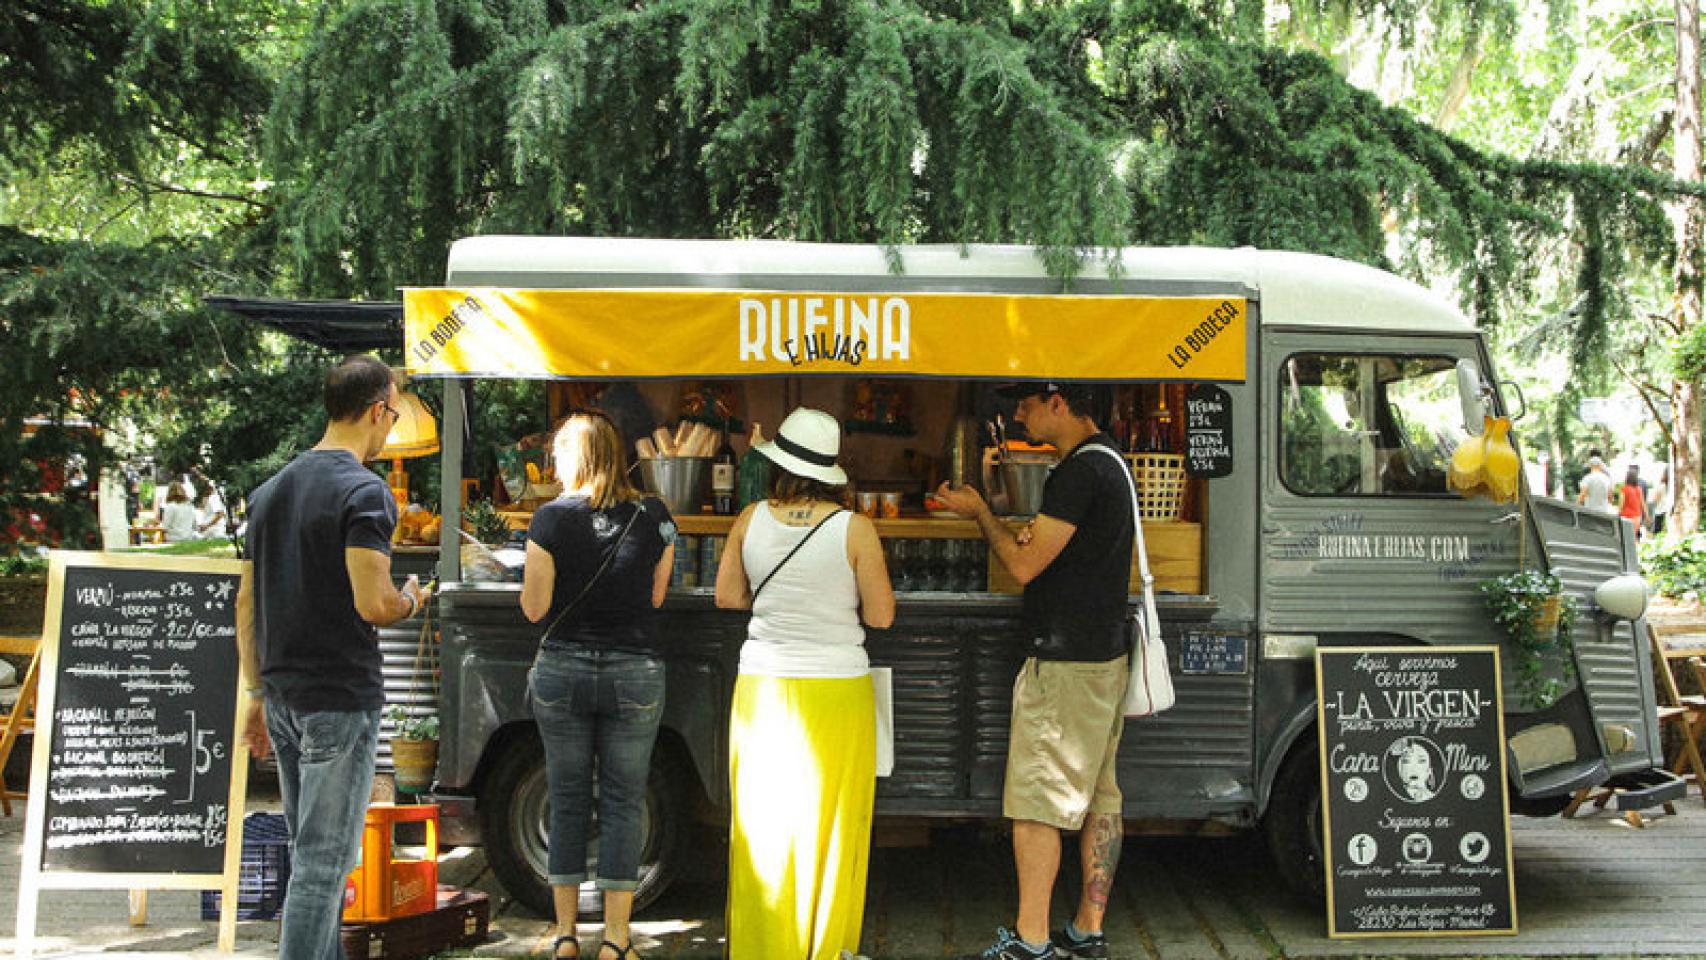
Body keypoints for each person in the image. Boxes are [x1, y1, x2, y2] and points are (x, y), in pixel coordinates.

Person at [934, 381, 1134, 960]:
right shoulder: (1113, 461)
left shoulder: (1078, 474)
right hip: (1103, 656)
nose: (1015, 412)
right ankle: (1086, 932)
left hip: (1066, 662)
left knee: (1034, 803)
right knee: (1102, 799)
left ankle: (1031, 943)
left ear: (1059, 402)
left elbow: (1024, 564)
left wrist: (980, 514)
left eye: (1025, 401)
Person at [240, 355, 427, 960]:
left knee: (311, 858)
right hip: (338, 701)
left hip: (284, 697)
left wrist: (254, 692)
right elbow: (373, 603)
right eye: (392, 417)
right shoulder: (364, 491)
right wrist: (410, 601)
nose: (389, 429)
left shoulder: (269, 493)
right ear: (378, 410)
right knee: (325, 865)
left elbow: (246, 601)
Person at [714, 407, 895, 960]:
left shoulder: (748, 519)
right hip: (836, 692)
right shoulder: (856, 529)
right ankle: (824, 948)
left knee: (764, 828)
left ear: (779, 465)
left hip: (763, 689)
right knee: (832, 829)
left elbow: (727, 597)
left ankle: (762, 948)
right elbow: (882, 615)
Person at [520, 411, 678, 960]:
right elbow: (657, 597)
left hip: (562, 671)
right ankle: (616, 939)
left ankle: (565, 936)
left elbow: (535, 608)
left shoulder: (548, 520)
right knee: (623, 802)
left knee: (565, 798)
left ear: (576, 458)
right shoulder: (656, 515)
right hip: (634, 671)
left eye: (558, 453)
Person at [1618, 464, 1650, 538]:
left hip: (1626, 517)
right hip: (1637, 517)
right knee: (1633, 537)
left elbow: (1621, 505)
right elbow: (1643, 504)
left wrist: (1618, 513)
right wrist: (1647, 516)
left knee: (1625, 538)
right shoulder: (1638, 489)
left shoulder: (1624, 489)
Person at [1650, 464, 1673, 536]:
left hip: (1659, 512)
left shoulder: (1662, 486)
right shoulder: (1673, 486)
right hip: (1669, 512)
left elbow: (1655, 500)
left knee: (1656, 533)